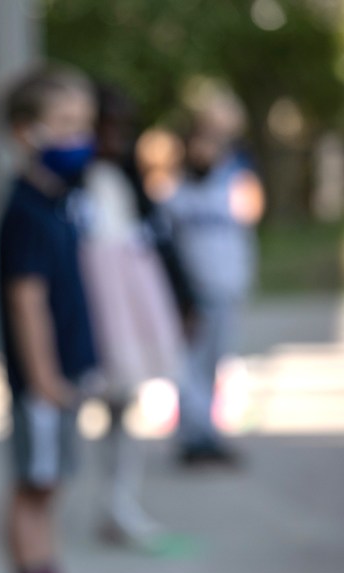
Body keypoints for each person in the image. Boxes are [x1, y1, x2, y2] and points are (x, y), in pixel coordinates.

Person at [0, 66, 130, 573]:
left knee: (50, 490)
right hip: (41, 387)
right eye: (67, 124)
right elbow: (26, 301)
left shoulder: (61, 200)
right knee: (35, 489)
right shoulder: (24, 208)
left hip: (65, 378)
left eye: (86, 123)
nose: (83, 136)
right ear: (27, 132)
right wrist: (45, 378)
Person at [79, 83, 186, 550]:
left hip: (127, 310)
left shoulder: (124, 179)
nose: (114, 138)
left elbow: (153, 238)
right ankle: (114, 502)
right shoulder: (73, 186)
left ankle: (120, 500)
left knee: (125, 405)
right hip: (93, 312)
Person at [160, 88, 264, 468]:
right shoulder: (174, 179)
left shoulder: (237, 173)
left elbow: (250, 210)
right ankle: (193, 435)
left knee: (217, 361)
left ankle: (209, 432)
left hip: (226, 281)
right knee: (190, 362)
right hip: (190, 286)